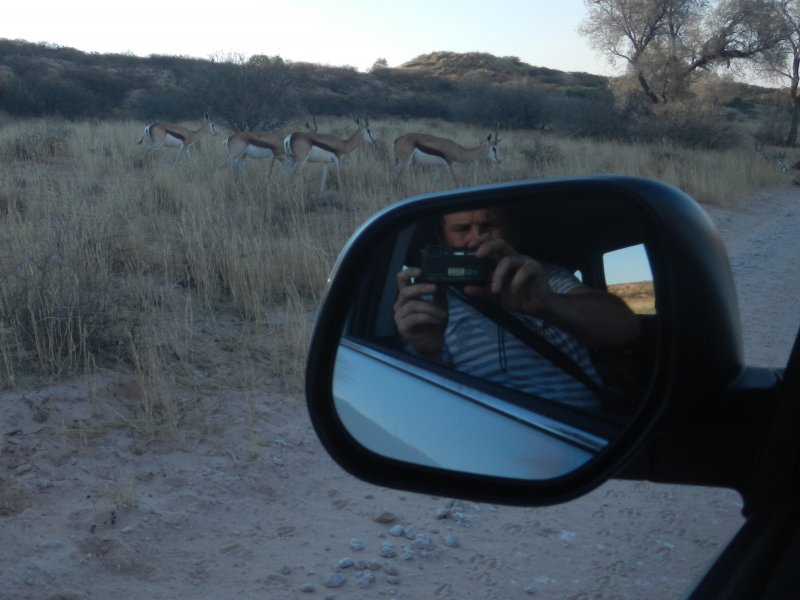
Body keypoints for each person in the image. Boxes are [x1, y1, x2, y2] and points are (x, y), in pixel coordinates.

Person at [393, 207, 641, 409]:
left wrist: (548, 304)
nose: (477, 238)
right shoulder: (428, 303)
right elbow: (429, 406)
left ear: (514, 233)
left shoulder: (545, 278)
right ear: (441, 239)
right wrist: (428, 354)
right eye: (461, 228)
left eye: (490, 226)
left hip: (587, 426)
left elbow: (626, 327)